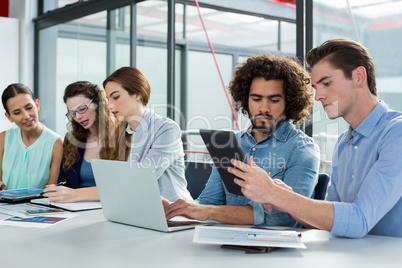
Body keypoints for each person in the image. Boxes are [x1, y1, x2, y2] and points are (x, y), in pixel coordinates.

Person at [230, 38, 402, 238]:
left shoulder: (396, 133)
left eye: (327, 83)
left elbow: (359, 220)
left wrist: (275, 194)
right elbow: (326, 222)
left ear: (359, 76)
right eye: (315, 87)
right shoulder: (342, 144)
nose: (318, 96)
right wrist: (285, 198)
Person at [163, 54, 320, 226]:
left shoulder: (302, 149)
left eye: (274, 100)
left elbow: (282, 218)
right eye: (256, 99)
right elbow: (209, 201)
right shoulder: (229, 143)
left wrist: (208, 211)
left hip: (274, 248)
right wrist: (180, 209)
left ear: (289, 102)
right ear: (246, 99)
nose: (264, 108)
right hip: (227, 241)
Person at [103, 66, 192, 202]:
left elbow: (142, 178)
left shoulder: (167, 129)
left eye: (115, 97)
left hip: (174, 212)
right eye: (108, 99)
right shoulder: (121, 132)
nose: (109, 105)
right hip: (135, 208)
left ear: (137, 94)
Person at [43, 81, 118, 202]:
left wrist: (74, 194)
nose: (78, 117)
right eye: (72, 113)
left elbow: (122, 188)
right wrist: (56, 191)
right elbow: (64, 182)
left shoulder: (123, 136)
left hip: (114, 209)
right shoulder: (72, 140)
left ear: (99, 104)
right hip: (76, 211)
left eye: (82, 109)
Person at [0, 83, 63, 190]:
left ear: (37, 105)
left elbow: (51, 192)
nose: (27, 116)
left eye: (29, 108)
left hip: (38, 206)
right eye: (17, 112)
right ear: (9, 116)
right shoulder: (3, 138)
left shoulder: (56, 143)